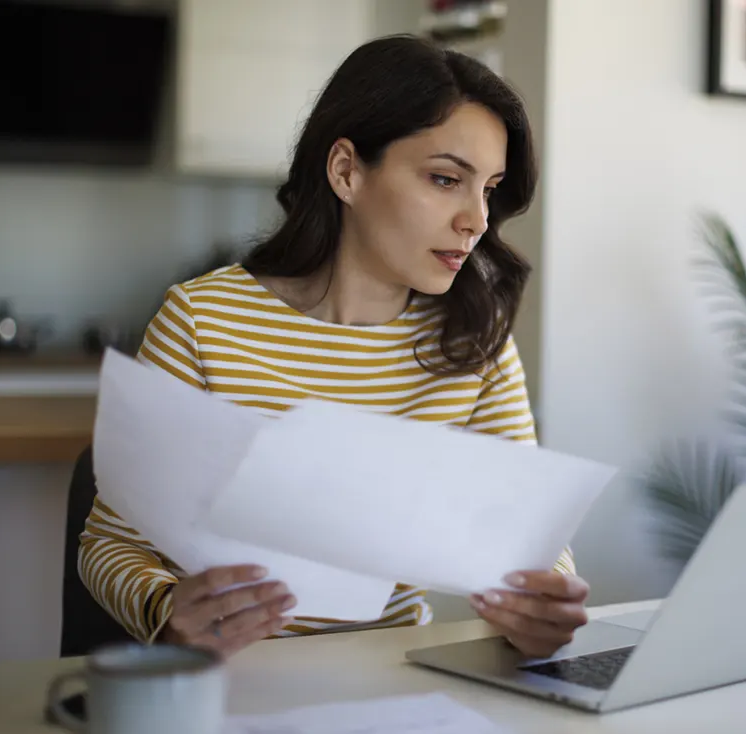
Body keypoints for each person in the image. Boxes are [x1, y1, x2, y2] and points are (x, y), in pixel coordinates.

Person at [78, 35, 589, 660]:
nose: (476, 220)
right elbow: (109, 542)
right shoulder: (202, 320)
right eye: (445, 179)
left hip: (401, 685)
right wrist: (167, 614)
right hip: (236, 681)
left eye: (488, 189)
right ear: (347, 170)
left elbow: (528, 537)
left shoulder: (474, 339)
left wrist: (545, 597)